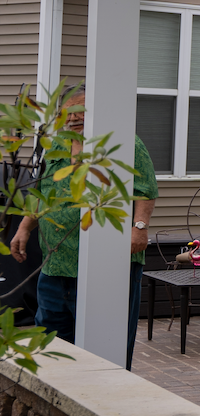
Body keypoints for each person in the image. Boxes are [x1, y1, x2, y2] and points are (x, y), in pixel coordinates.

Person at [8, 91, 157, 370]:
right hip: (55, 265)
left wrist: (139, 228)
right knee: (51, 343)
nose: (74, 117)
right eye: (68, 112)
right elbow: (41, 191)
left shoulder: (123, 143)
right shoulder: (56, 146)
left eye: (81, 110)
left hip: (107, 266)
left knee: (107, 345)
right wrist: (25, 227)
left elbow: (145, 189)